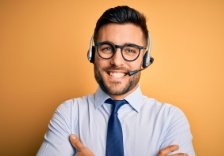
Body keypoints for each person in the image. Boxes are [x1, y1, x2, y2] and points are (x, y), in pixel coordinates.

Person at [37, 6, 195, 156]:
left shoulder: (170, 118)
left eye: (130, 50)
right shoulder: (69, 113)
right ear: (93, 54)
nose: (117, 61)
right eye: (106, 48)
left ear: (145, 60)